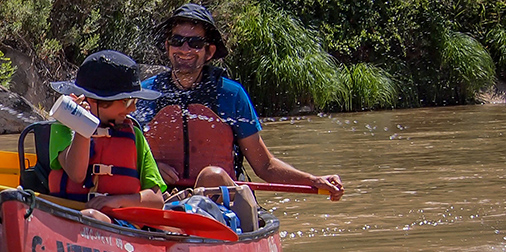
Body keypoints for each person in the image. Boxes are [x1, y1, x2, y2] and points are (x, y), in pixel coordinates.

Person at [135, 3, 345, 201]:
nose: (185, 49)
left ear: (209, 52)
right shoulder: (145, 93)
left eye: (196, 43)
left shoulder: (231, 95)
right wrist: (149, 167)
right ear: (167, 46)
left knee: (212, 176)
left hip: (221, 202)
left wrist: (312, 180)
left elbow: (265, 166)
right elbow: (122, 153)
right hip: (164, 199)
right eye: (177, 41)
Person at [46, 50, 167, 223]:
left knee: (92, 217)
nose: (132, 109)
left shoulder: (135, 136)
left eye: (135, 102)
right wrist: (83, 125)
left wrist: (115, 201)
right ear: (93, 101)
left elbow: (156, 200)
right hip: (69, 217)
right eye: (127, 102)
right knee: (90, 216)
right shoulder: (63, 128)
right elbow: (76, 174)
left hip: (119, 223)